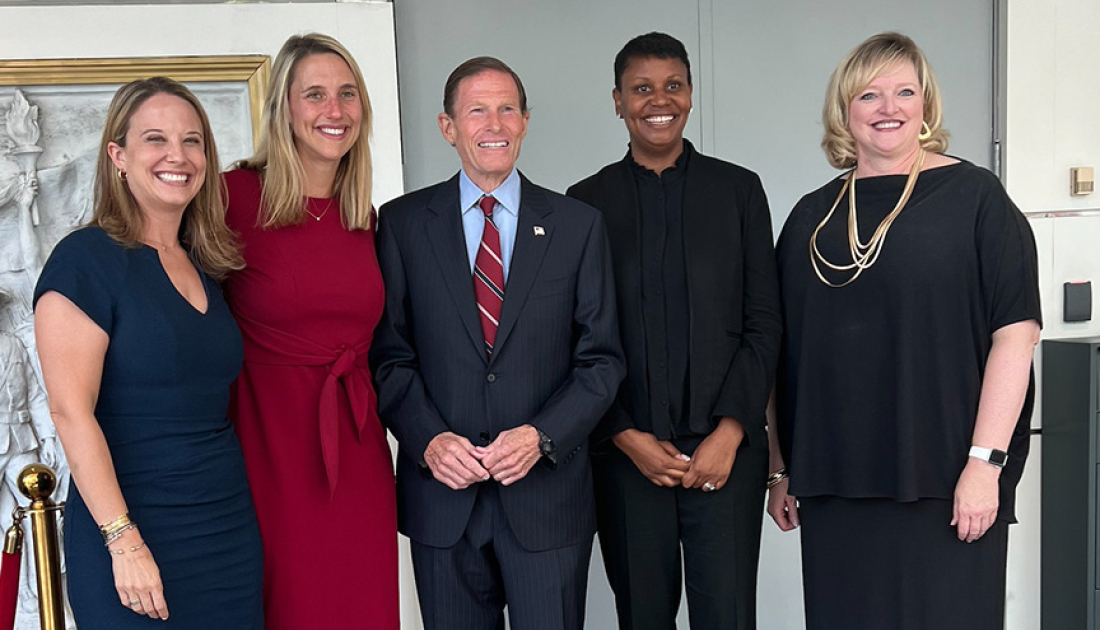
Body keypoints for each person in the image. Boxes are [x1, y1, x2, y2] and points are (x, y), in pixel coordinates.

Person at [768, 32, 1041, 630]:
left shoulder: (977, 200)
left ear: (926, 105)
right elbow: (779, 351)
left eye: (904, 92)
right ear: (845, 110)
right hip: (836, 488)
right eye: (869, 94)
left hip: (946, 482)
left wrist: (984, 465)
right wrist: (781, 467)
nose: (888, 108)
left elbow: (1015, 336)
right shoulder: (810, 217)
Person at [371, 56, 625, 630]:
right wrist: (428, 439)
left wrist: (542, 435)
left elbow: (602, 360)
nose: (495, 123)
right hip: (443, 499)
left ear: (526, 121)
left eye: (507, 108)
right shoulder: (402, 224)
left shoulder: (577, 225)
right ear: (447, 126)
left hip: (546, 501)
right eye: (477, 110)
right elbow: (389, 354)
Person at [566, 32, 781, 630]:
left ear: (690, 95)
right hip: (627, 460)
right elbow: (577, 339)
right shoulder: (584, 206)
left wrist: (731, 432)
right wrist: (624, 435)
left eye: (673, 86)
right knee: (642, 617)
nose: (658, 101)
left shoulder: (739, 191)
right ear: (617, 101)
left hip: (726, 457)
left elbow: (764, 323)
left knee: (728, 617)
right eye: (641, 89)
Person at [32, 77, 262, 627]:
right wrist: (123, 541)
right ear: (119, 155)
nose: (177, 157)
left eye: (192, 141)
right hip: (130, 534)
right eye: (155, 139)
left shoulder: (207, 262)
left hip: (225, 530)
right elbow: (70, 412)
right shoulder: (84, 261)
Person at [221, 33, 397, 630]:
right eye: (315, 94)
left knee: (362, 605)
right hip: (267, 445)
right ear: (285, 110)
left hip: (357, 448)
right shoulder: (232, 199)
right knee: (290, 605)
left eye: (348, 94)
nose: (335, 110)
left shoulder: (365, 218)